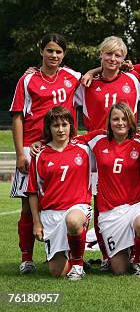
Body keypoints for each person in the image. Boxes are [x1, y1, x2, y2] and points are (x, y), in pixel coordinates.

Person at [74, 36, 140, 271]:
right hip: (98, 147)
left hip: (128, 145)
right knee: (101, 202)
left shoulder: (133, 79)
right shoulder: (86, 83)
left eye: (118, 55)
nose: (113, 59)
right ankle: (109, 255)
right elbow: (69, 107)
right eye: (108, 54)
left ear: (124, 59)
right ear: (101, 55)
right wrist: (91, 71)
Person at [10, 33, 81, 274]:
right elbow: (18, 116)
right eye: (50, 50)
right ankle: (26, 258)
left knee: (67, 202)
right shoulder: (27, 80)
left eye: (59, 52)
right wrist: (21, 153)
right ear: (41, 51)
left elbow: (96, 77)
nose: (54, 55)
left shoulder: (72, 77)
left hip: (63, 149)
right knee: (27, 208)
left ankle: (69, 253)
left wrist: (94, 72)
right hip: (34, 149)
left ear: (64, 55)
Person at [73, 103, 140, 277]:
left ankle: (139, 261)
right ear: (109, 121)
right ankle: (126, 254)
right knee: (119, 270)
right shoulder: (97, 140)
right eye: (115, 119)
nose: (120, 123)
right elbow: (69, 141)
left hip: (136, 204)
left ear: (131, 121)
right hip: (110, 211)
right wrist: (42, 143)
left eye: (124, 119)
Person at [27, 106, 92, 280]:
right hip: (51, 214)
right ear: (49, 128)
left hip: (78, 208)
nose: (61, 129)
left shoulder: (85, 147)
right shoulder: (40, 154)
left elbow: (110, 133)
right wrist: (36, 223)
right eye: (56, 125)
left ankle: (77, 264)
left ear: (71, 125)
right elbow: (33, 192)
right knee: (57, 273)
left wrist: (139, 134)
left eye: (65, 124)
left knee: (73, 220)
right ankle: (73, 254)